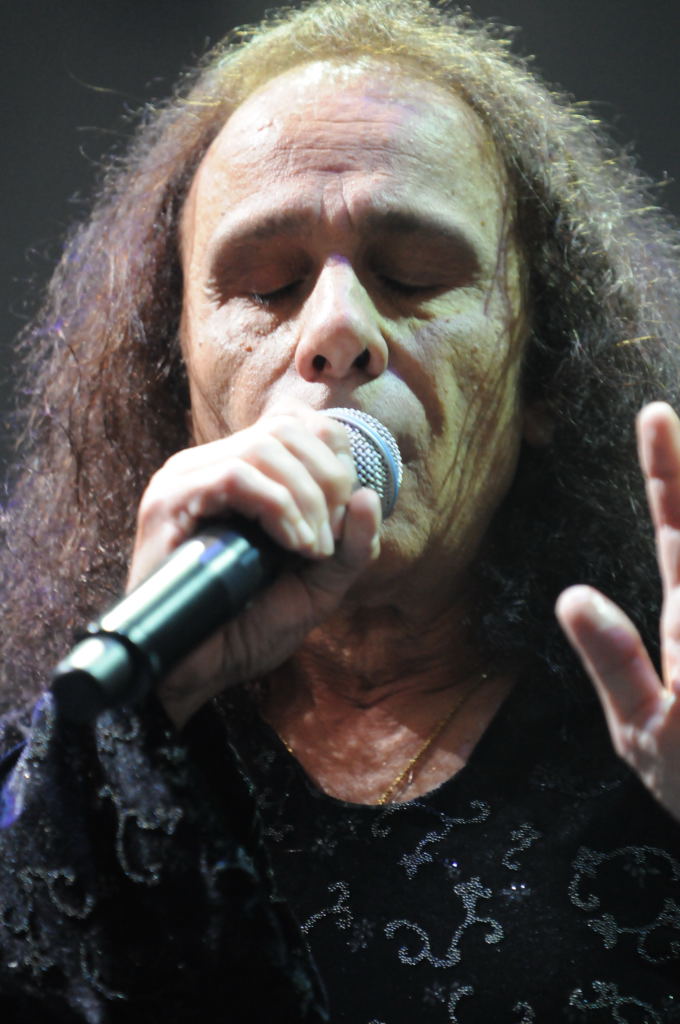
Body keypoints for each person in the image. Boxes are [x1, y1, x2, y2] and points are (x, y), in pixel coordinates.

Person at [1, 0, 680, 1019]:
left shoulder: (656, 724)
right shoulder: (55, 770)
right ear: (174, 379)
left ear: (540, 371)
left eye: (408, 278)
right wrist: (131, 733)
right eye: (268, 287)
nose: (335, 329)